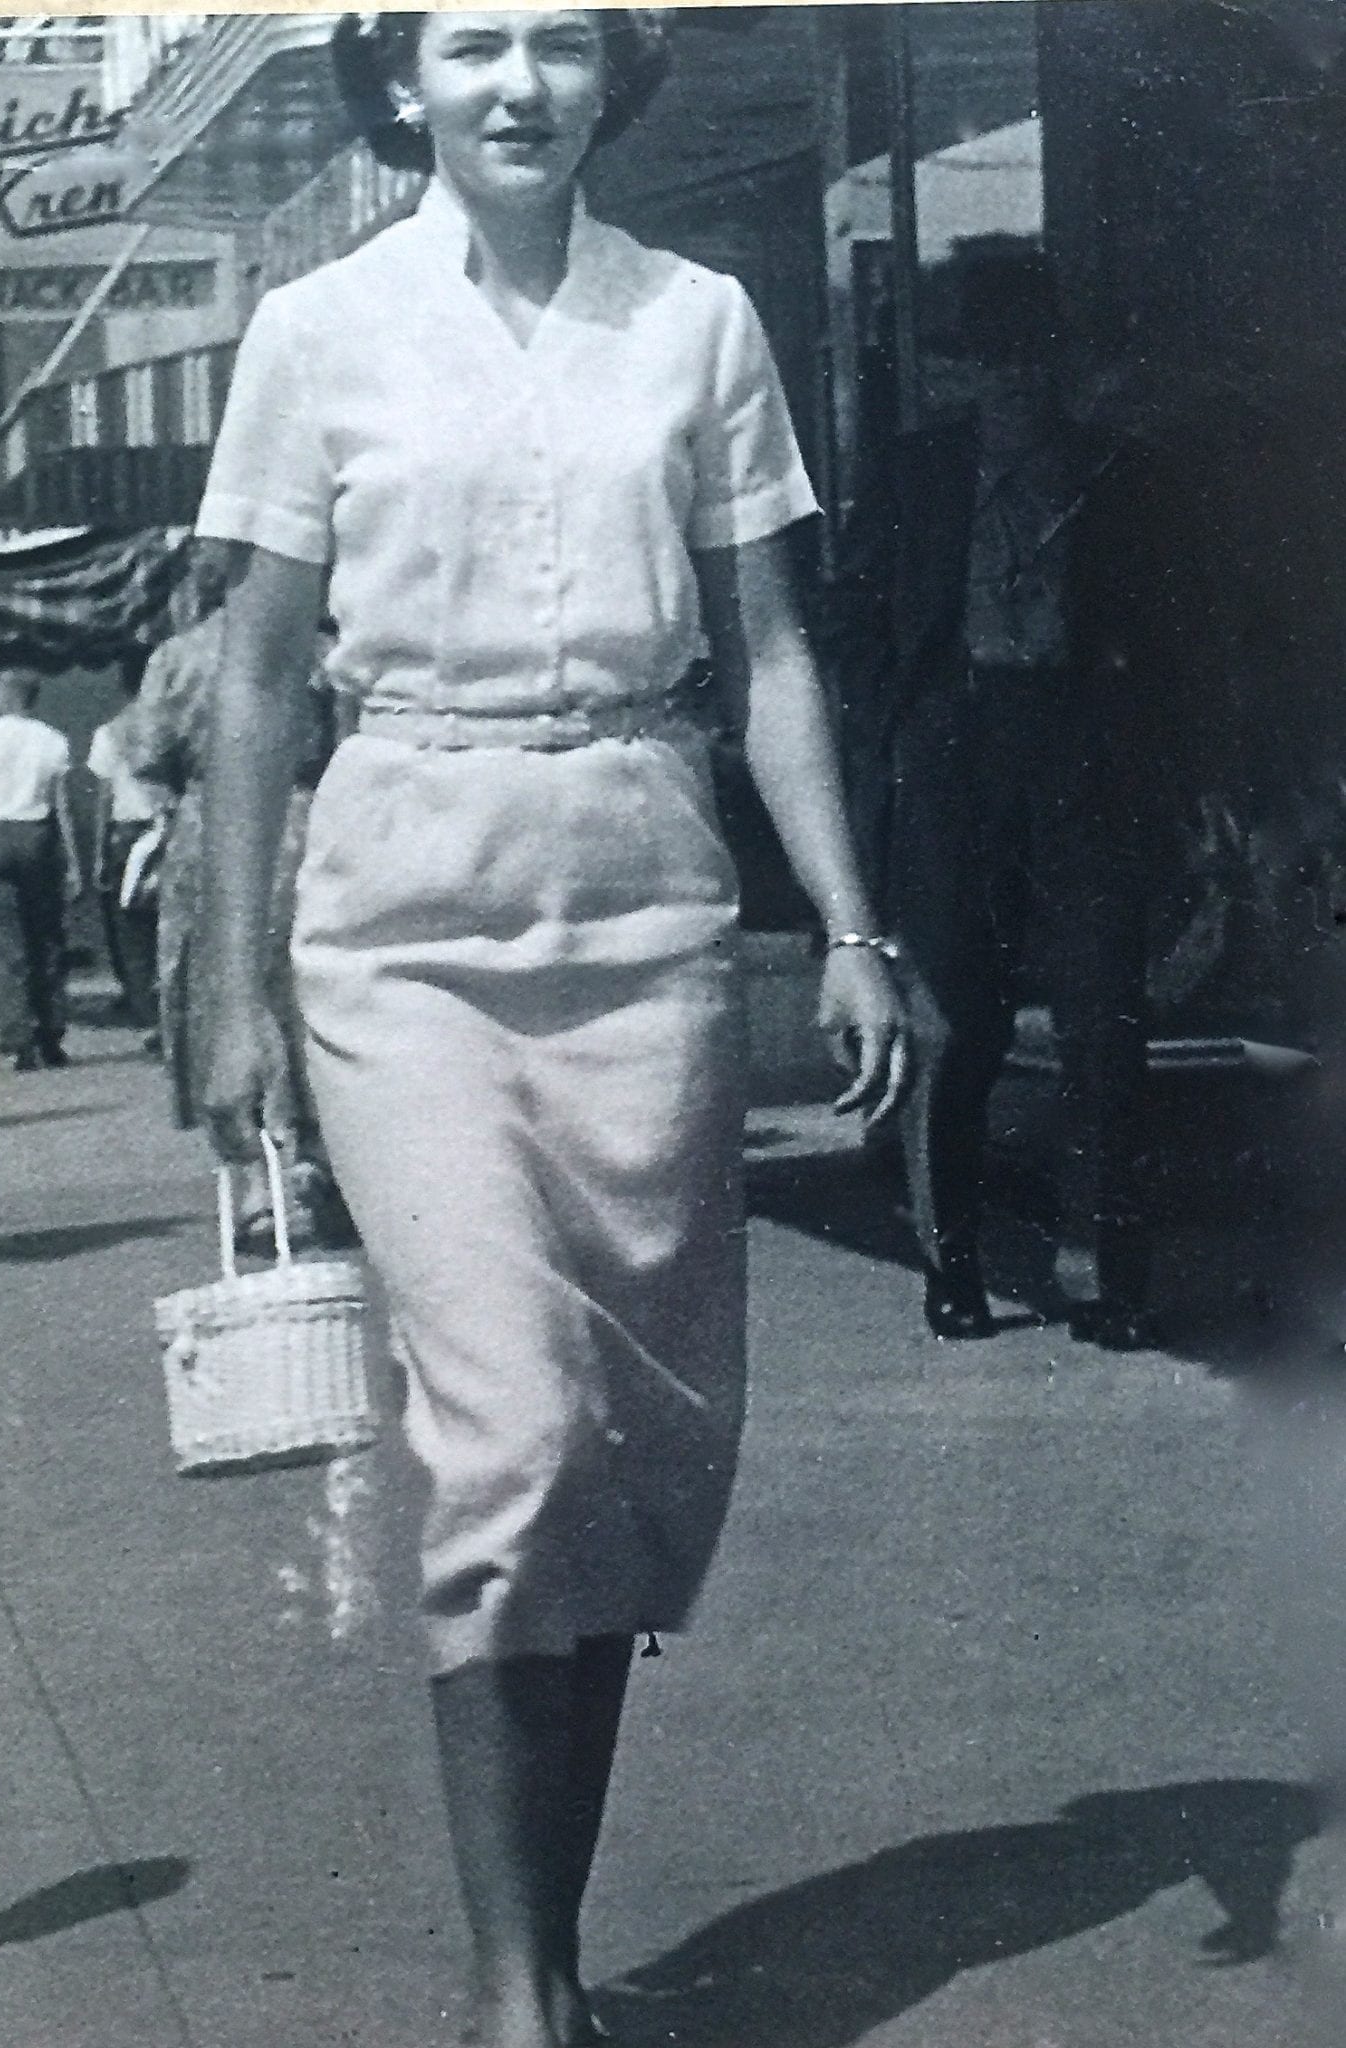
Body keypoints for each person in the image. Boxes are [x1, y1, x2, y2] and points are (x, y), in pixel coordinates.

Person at [195, 16, 907, 2048]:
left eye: (563, 44)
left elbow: (768, 649)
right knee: (508, 1437)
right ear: (396, 80)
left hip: (643, 886)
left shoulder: (695, 318)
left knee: (621, 1461)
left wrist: (849, 924)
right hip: (402, 905)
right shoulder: (315, 328)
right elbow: (256, 684)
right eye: (474, 42)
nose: (520, 82)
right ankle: (517, 1999)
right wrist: (233, 992)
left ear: (614, 82)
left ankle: (560, 1957)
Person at [822, 246, 1157, 1349]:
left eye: (1032, 358)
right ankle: (952, 1257)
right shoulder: (918, 473)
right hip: (954, 759)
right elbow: (853, 624)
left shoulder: (1111, 473)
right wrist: (895, 740)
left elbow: (1170, 636)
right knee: (956, 1019)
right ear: (960, 369)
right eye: (990, 359)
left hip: (1078, 754)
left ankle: (1106, 1267)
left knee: (1102, 1016)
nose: (1012, 379)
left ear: (1059, 365)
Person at [125, 550, 345, 1253]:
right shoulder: (321, 654)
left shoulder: (174, 658)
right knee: (314, 993)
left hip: (210, 826)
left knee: (219, 989)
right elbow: (345, 744)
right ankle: (320, 1160)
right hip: (310, 821)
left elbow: (149, 753)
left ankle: (255, 1179)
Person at [0, 670, 83, 1072]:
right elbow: (61, 804)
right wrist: (74, 862)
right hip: (37, 835)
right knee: (47, 938)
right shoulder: (53, 739)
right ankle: (51, 1035)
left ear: (2, 694)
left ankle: (18, 1040)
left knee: (6, 944)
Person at [88, 688, 163, 1040]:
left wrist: (99, 851)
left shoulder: (111, 732)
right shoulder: (165, 724)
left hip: (126, 831)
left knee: (129, 928)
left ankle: (146, 1014)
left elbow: (104, 795)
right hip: (165, 827)